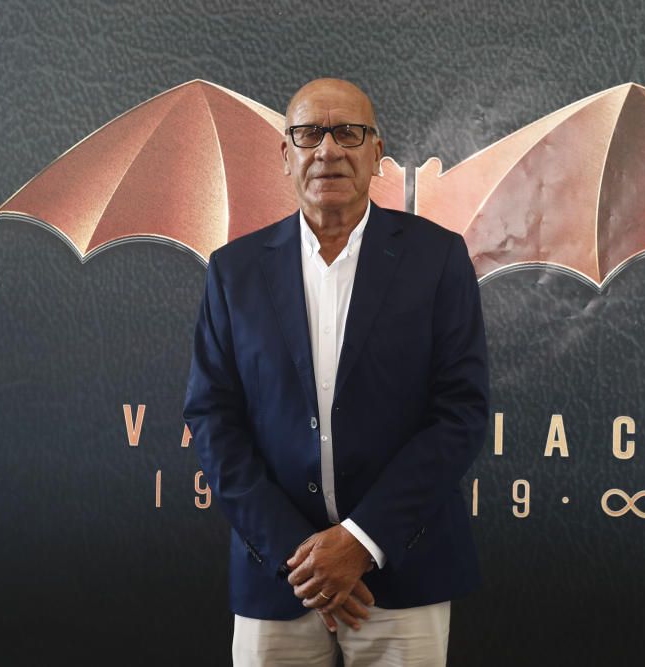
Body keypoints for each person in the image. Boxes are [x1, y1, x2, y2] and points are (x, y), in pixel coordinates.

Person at [183, 78, 489, 666]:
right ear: (285, 155)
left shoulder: (438, 259)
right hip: (277, 579)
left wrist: (359, 543)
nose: (328, 149)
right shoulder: (233, 272)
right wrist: (302, 555)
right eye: (307, 134)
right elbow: (212, 418)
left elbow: (460, 414)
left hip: (402, 575)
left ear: (377, 154)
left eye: (349, 132)